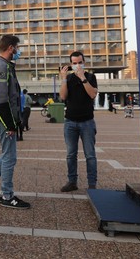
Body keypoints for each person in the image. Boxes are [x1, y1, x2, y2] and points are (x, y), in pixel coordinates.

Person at [0, 34, 31, 209]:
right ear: (11, 47)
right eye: (17, 47)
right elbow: (0, 100)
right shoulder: (0, 66)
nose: (19, 51)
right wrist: (10, 123)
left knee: (6, 155)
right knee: (10, 157)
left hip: (4, 118)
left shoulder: (5, 65)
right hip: (2, 119)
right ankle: (7, 196)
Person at [59, 51, 99, 192]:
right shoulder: (68, 79)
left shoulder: (90, 77)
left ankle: (92, 184)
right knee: (71, 154)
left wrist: (83, 78)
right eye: (74, 63)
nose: (77, 65)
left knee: (90, 155)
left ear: (84, 62)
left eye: (80, 62)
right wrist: (63, 79)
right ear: (71, 64)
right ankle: (72, 182)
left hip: (87, 122)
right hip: (70, 122)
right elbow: (63, 96)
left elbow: (93, 94)